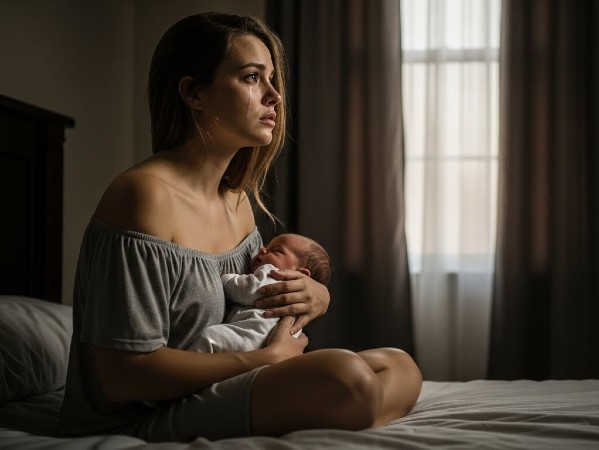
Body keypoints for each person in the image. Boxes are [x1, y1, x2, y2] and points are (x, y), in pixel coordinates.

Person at [59, 11, 422, 442]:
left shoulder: (237, 200)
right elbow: (125, 378)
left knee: (401, 364)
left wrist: (315, 296)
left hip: (217, 386)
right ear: (194, 92)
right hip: (139, 415)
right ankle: (352, 406)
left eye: (272, 80)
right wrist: (266, 361)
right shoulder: (143, 195)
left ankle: (353, 408)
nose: (274, 96)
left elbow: (253, 298)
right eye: (252, 77)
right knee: (346, 376)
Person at [187, 233, 332, 354]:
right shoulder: (300, 302)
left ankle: (189, 369)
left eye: (276, 250)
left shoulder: (274, 275)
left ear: (300, 274)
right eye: (267, 246)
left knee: (210, 337)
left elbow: (247, 290)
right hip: (274, 346)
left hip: (250, 338)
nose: (262, 249)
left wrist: (226, 279)